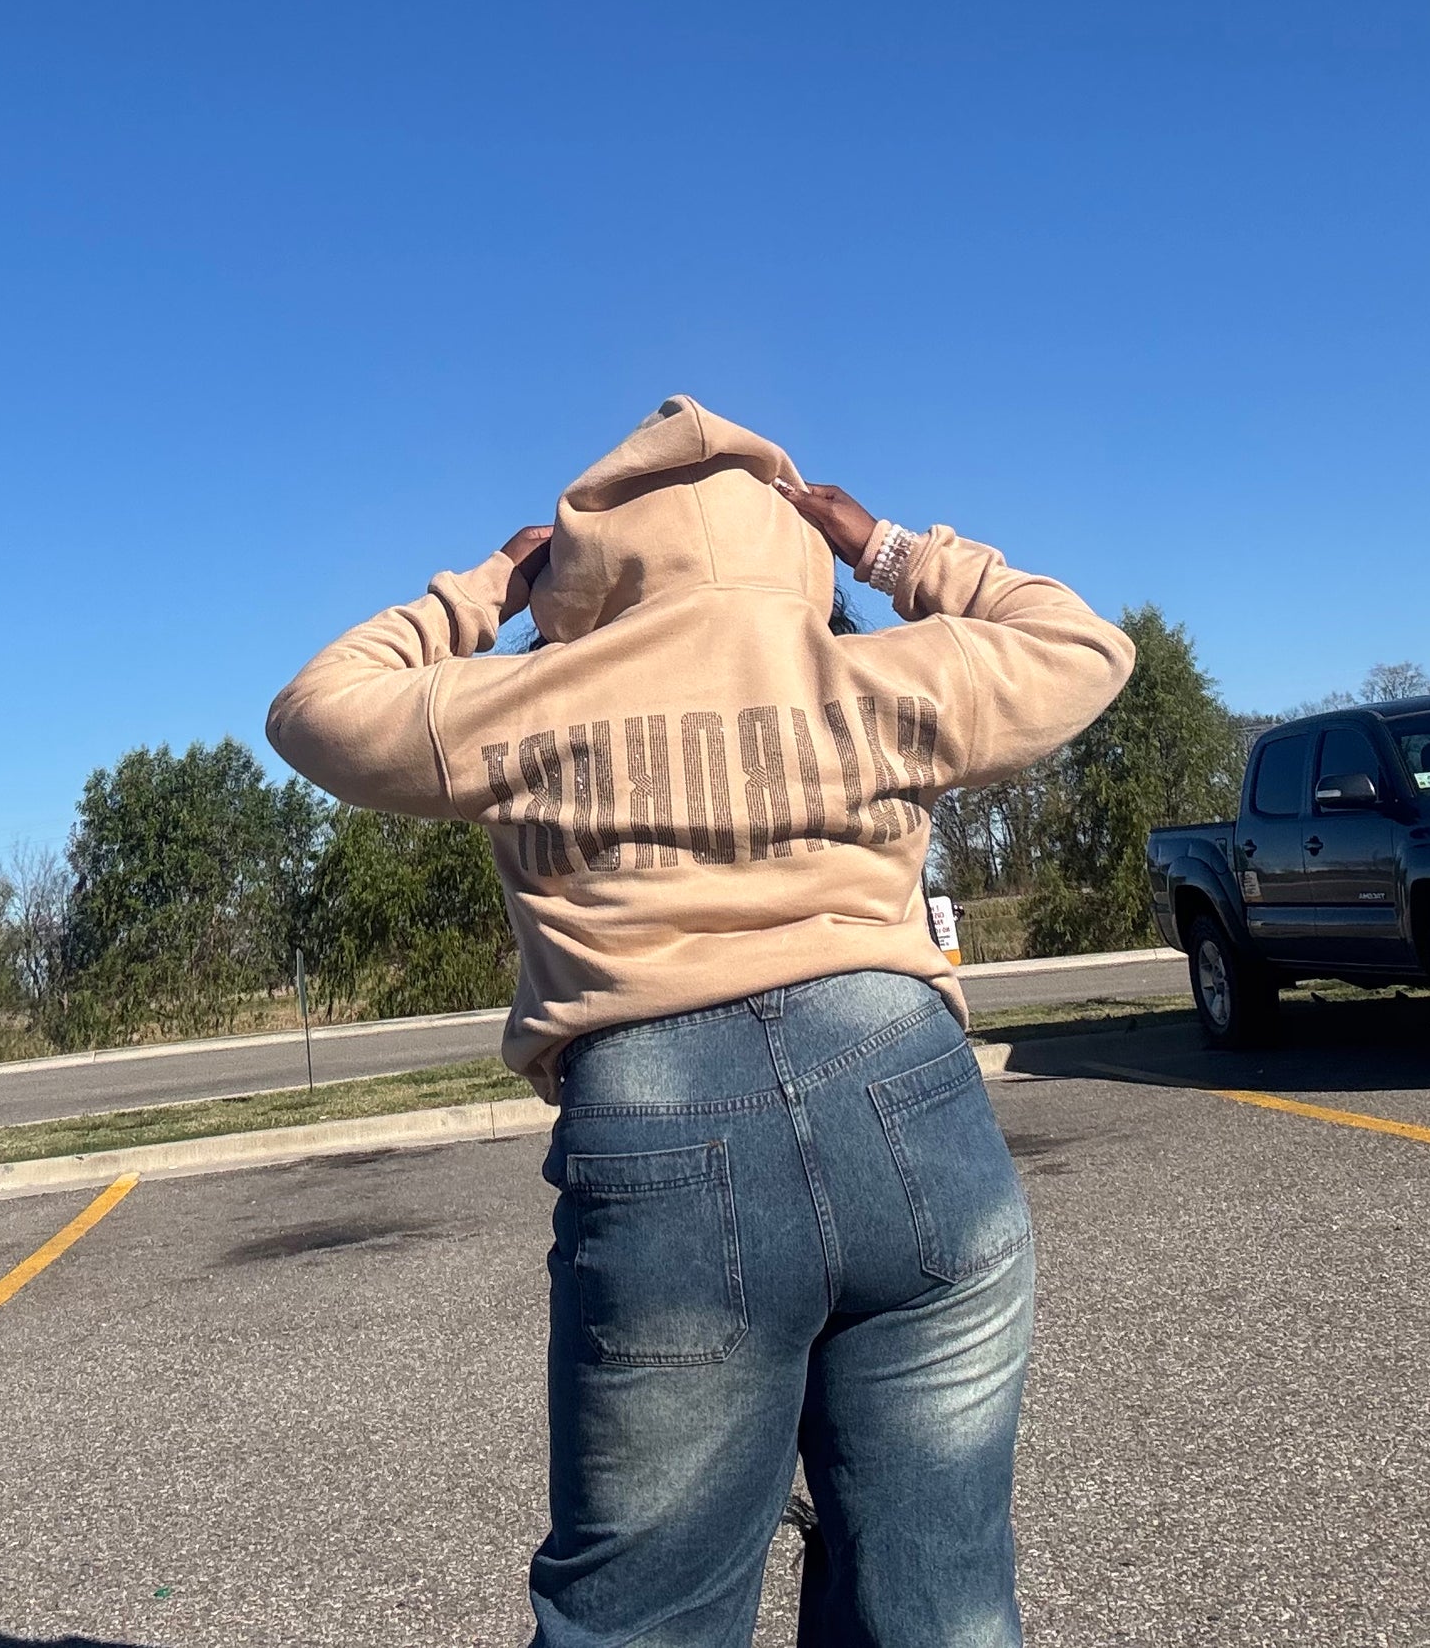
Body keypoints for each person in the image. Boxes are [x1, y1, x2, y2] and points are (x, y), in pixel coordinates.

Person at [267, 396, 1134, 1648]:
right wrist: (888, 549)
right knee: (936, 1604)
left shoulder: (529, 703)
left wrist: (485, 588)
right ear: (792, 549)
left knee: (643, 1618)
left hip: (658, 1125)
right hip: (911, 1097)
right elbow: (1083, 647)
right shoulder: (880, 673)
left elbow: (315, 708)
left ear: (584, 568)